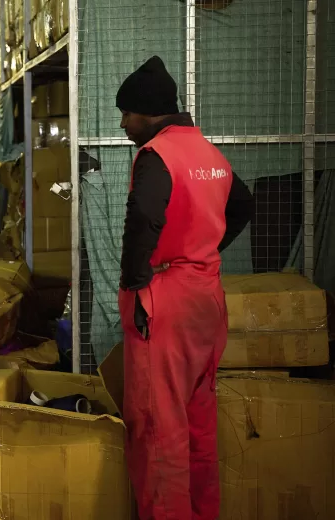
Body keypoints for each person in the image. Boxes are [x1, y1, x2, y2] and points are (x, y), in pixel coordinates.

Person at [116, 57, 254, 520]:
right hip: (207, 297)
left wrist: (135, 283)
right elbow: (243, 204)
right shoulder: (208, 153)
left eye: (127, 114)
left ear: (148, 112)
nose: (123, 124)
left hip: (167, 301)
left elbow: (143, 217)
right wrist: (204, 248)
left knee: (159, 430)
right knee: (199, 424)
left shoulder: (157, 155)